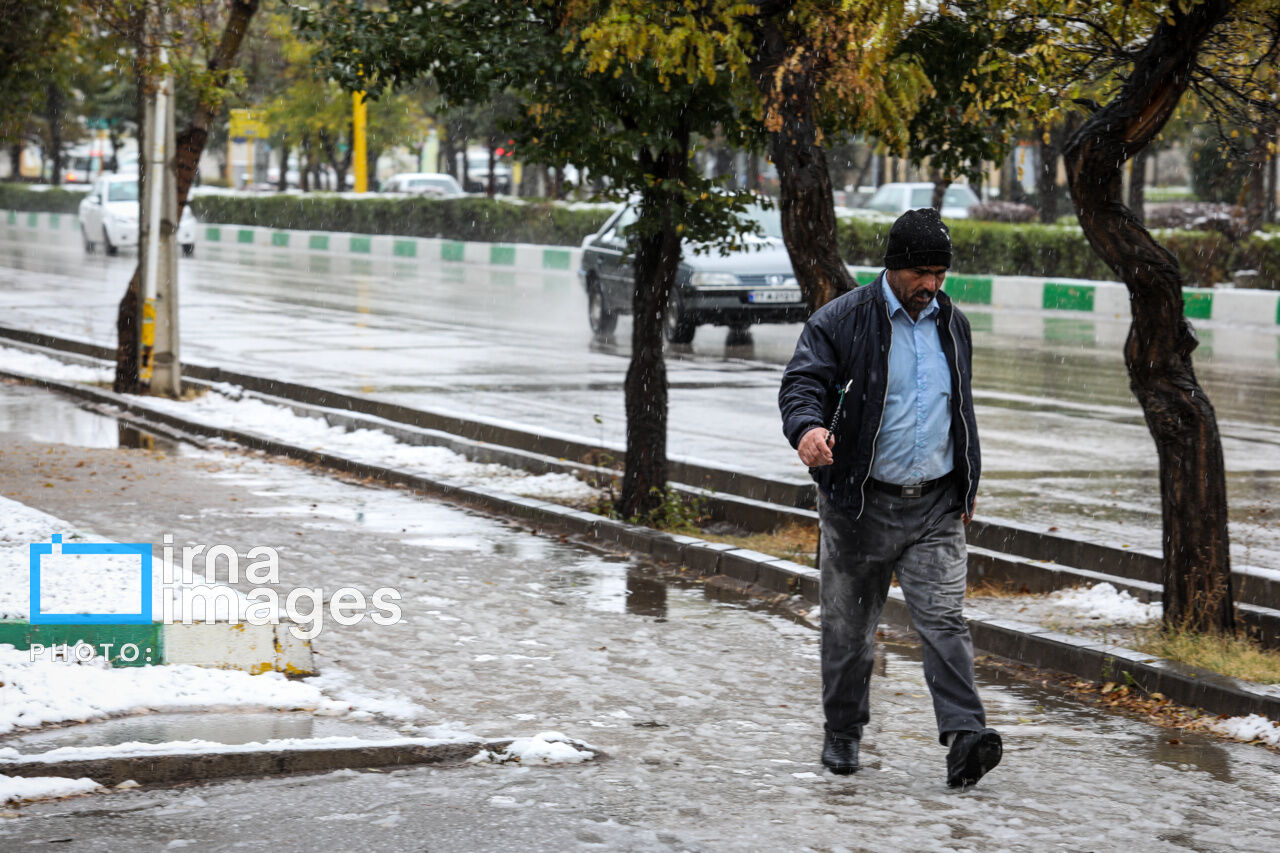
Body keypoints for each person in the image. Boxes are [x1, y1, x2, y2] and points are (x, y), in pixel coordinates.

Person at [778, 207, 1001, 788]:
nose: (931, 285)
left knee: (944, 622)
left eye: (940, 274)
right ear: (893, 267)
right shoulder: (843, 320)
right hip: (859, 504)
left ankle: (965, 738)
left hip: (935, 504)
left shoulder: (952, 322)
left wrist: (967, 479)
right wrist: (807, 430)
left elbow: (960, 409)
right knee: (850, 634)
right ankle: (844, 735)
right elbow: (802, 383)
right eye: (921, 273)